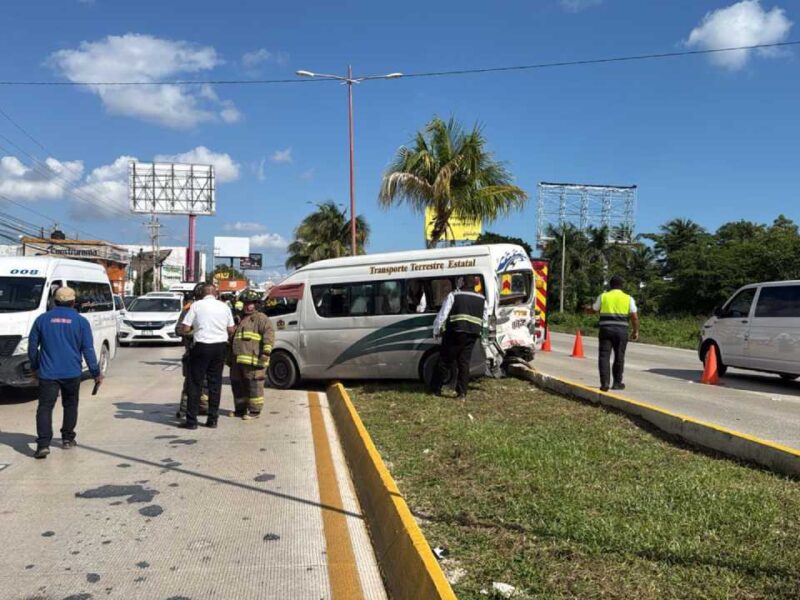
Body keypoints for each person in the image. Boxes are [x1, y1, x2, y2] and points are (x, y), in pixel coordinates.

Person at [27, 286, 104, 459]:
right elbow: (88, 349)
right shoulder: (80, 321)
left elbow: (32, 347)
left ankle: (43, 445)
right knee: (70, 405)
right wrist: (95, 372)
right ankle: (67, 439)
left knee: (45, 407)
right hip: (71, 372)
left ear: (54, 301)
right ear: (73, 302)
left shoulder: (42, 319)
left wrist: (35, 367)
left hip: (48, 373)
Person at [179, 284, 235, 429]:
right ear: (215, 293)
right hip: (220, 347)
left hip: (202, 346)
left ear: (202, 294)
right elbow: (231, 329)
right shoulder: (224, 306)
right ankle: (213, 420)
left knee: (195, 383)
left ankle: (191, 421)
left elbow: (185, 327)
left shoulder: (197, 306)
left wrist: (195, 330)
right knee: (215, 384)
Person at [430, 275, 489, 399]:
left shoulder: (454, 295)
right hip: (472, 334)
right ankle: (462, 393)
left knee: (445, 360)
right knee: (464, 362)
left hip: (455, 332)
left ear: (463, 282)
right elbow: (485, 319)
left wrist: (436, 330)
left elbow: (443, 314)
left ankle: (436, 389)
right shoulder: (482, 298)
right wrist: (483, 335)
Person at [229, 289, 274, 420]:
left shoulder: (261, 319)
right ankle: (240, 409)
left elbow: (269, 336)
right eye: (245, 303)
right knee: (237, 385)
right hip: (237, 360)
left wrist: (266, 352)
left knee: (254, 386)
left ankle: (255, 411)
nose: (248, 306)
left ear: (256, 304)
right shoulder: (239, 319)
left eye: (251, 303)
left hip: (254, 360)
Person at [592, 275, 639, 392]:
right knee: (619, 357)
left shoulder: (603, 296)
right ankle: (617, 383)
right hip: (621, 331)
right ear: (622, 286)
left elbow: (594, 309)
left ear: (610, 285)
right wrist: (635, 331)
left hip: (605, 330)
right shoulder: (628, 298)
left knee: (604, 356)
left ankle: (605, 383)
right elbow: (634, 317)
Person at [175, 283, 209, 420]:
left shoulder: (215, 308)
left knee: (206, 383)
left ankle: (203, 407)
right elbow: (178, 329)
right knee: (190, 383)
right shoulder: (190, 309)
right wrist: (195, 333)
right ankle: (185, 410)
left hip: (208, 351)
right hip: (192, 352)